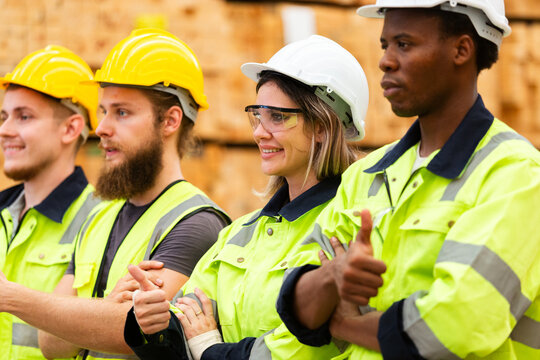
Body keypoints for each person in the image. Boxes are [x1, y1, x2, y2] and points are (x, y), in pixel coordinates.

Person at [275, 1, 540, 359]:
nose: (385, 60)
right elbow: (297, 310)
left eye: (405, 44)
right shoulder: (366, 175)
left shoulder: (515, 174)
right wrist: (332, 275)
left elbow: (457, 326)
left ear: (461, 49)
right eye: (386, 45)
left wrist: (343, 324)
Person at [122, 35, 370, 359]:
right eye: (258, 115)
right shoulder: (240, 233)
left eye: (278, 117)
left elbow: (306, 349)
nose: (258, 132)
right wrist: (152, 323)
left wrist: (208, 348)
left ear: (323, 125)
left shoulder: (350, 223)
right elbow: (185, 319)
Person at [0, 28, 230, 360]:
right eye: (104, 111)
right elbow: (51, 345)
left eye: (121, 112)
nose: (102, 128)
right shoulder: (98, 216)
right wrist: (104, 309)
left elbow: (129, 332)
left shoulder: (196, 223)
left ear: (170, 120)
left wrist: (11, 298)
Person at [0, 45, 102, 360]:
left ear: (70, 128)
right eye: (3, 117)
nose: (5, 130)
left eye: (24, 117)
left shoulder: (100, 222)